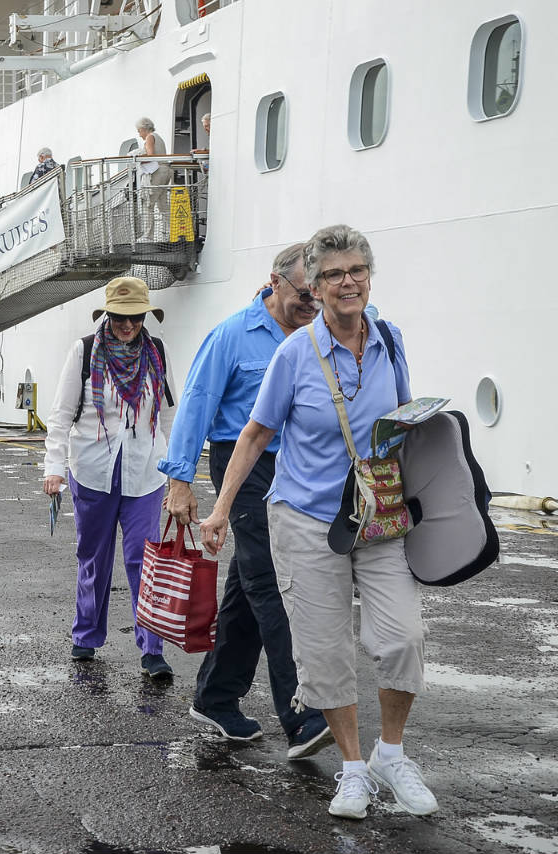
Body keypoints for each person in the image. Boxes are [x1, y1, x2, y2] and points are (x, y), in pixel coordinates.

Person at [199, 225, 435, 821]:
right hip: (305, 518)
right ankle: (353, 769)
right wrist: (221, 508)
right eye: (332, 275)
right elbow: (255, 434)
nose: (346, 282)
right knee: (325, 649)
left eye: (356, 270)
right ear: (316, 286)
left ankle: (391, 754)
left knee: (403, 636)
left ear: (369, 276)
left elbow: (403, 424)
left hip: (374, 515)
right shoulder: (294, 354)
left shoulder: (389, 340)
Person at [159, 243, 332, 759]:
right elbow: (196, 403)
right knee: (273, 580)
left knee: (247, 585)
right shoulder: (232, 335)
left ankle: (215, 696)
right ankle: (303, 713)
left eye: (318, 294)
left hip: (299, 469)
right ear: (275, 282)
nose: (313, 304)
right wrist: (179, 480)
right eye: (305, 294)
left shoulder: (318, 333)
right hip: (244, 465)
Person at [42, 277, 176, 677]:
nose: (128, 325)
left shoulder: (157, 353)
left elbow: (169, 414)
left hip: (145, 473)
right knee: (94, 558)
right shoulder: (84, 352)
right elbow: (61, 416)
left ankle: (152, 649)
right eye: (120, 317)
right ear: (108, 315)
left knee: (144, 560)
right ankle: (86, 635)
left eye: (136, 318)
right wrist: (54, 467)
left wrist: (178, 473)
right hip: (93, 471)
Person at [135, 117, 172, 238]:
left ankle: (148, 235)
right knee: (163, 204)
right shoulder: (159, 137)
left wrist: (137, 158)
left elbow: (150, 156)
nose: (139, 134)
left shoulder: (150, 137)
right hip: (166, 170)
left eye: (139, 131)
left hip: (157, 172)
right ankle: (172, 233)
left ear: (144, 129)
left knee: (148, 204)